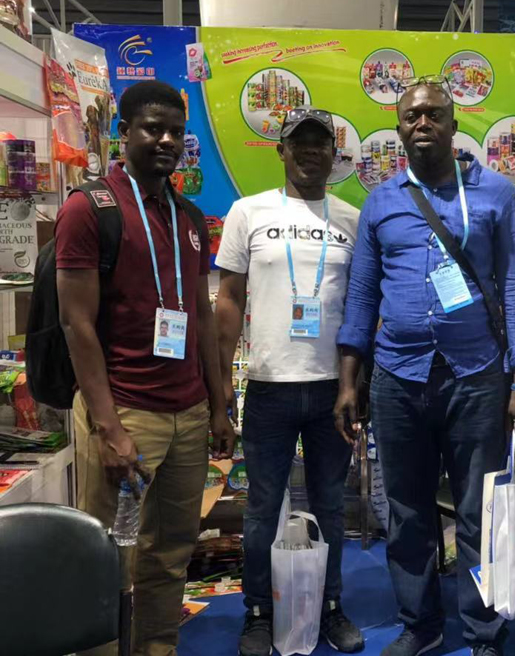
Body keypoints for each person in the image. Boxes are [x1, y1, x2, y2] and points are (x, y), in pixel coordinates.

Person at [335, 78, 515, 656]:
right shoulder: (381, 202)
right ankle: (420, 625)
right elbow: (362, 296)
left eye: (433, 115)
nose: (421, 123)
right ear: (399, 128)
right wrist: (349, 381)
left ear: (453, 124)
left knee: (478, 511)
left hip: (477, 376)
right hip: (398, 378)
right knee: (406, 510)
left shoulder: (496, 194)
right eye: (411, 116)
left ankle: (483, 631)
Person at [55, 80, 235, 656]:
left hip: (188, 414)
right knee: (110, 556)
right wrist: (109, 428)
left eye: (176, 132)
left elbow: (201, 320)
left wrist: (218, 405)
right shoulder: (90, 209)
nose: (166, 141)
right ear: (123, 133)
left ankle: (158, 648)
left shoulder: (188, 216)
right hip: (125, 412)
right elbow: (76, 325)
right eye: (153, 129)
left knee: (171, 554)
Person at [215, 106, 364, 656]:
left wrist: (357, 385)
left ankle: (330, 605)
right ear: (281, 151)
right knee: (262, 508)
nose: (309, 151)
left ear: (334, 154)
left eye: (320, 143)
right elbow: (229, 300)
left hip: (332, 390)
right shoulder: (247, 212)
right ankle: (259, 611)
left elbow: (361, 308)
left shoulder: (352, 219)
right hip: (269, 386)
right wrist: (221, 383)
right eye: (298, 142)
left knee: (330, 506)